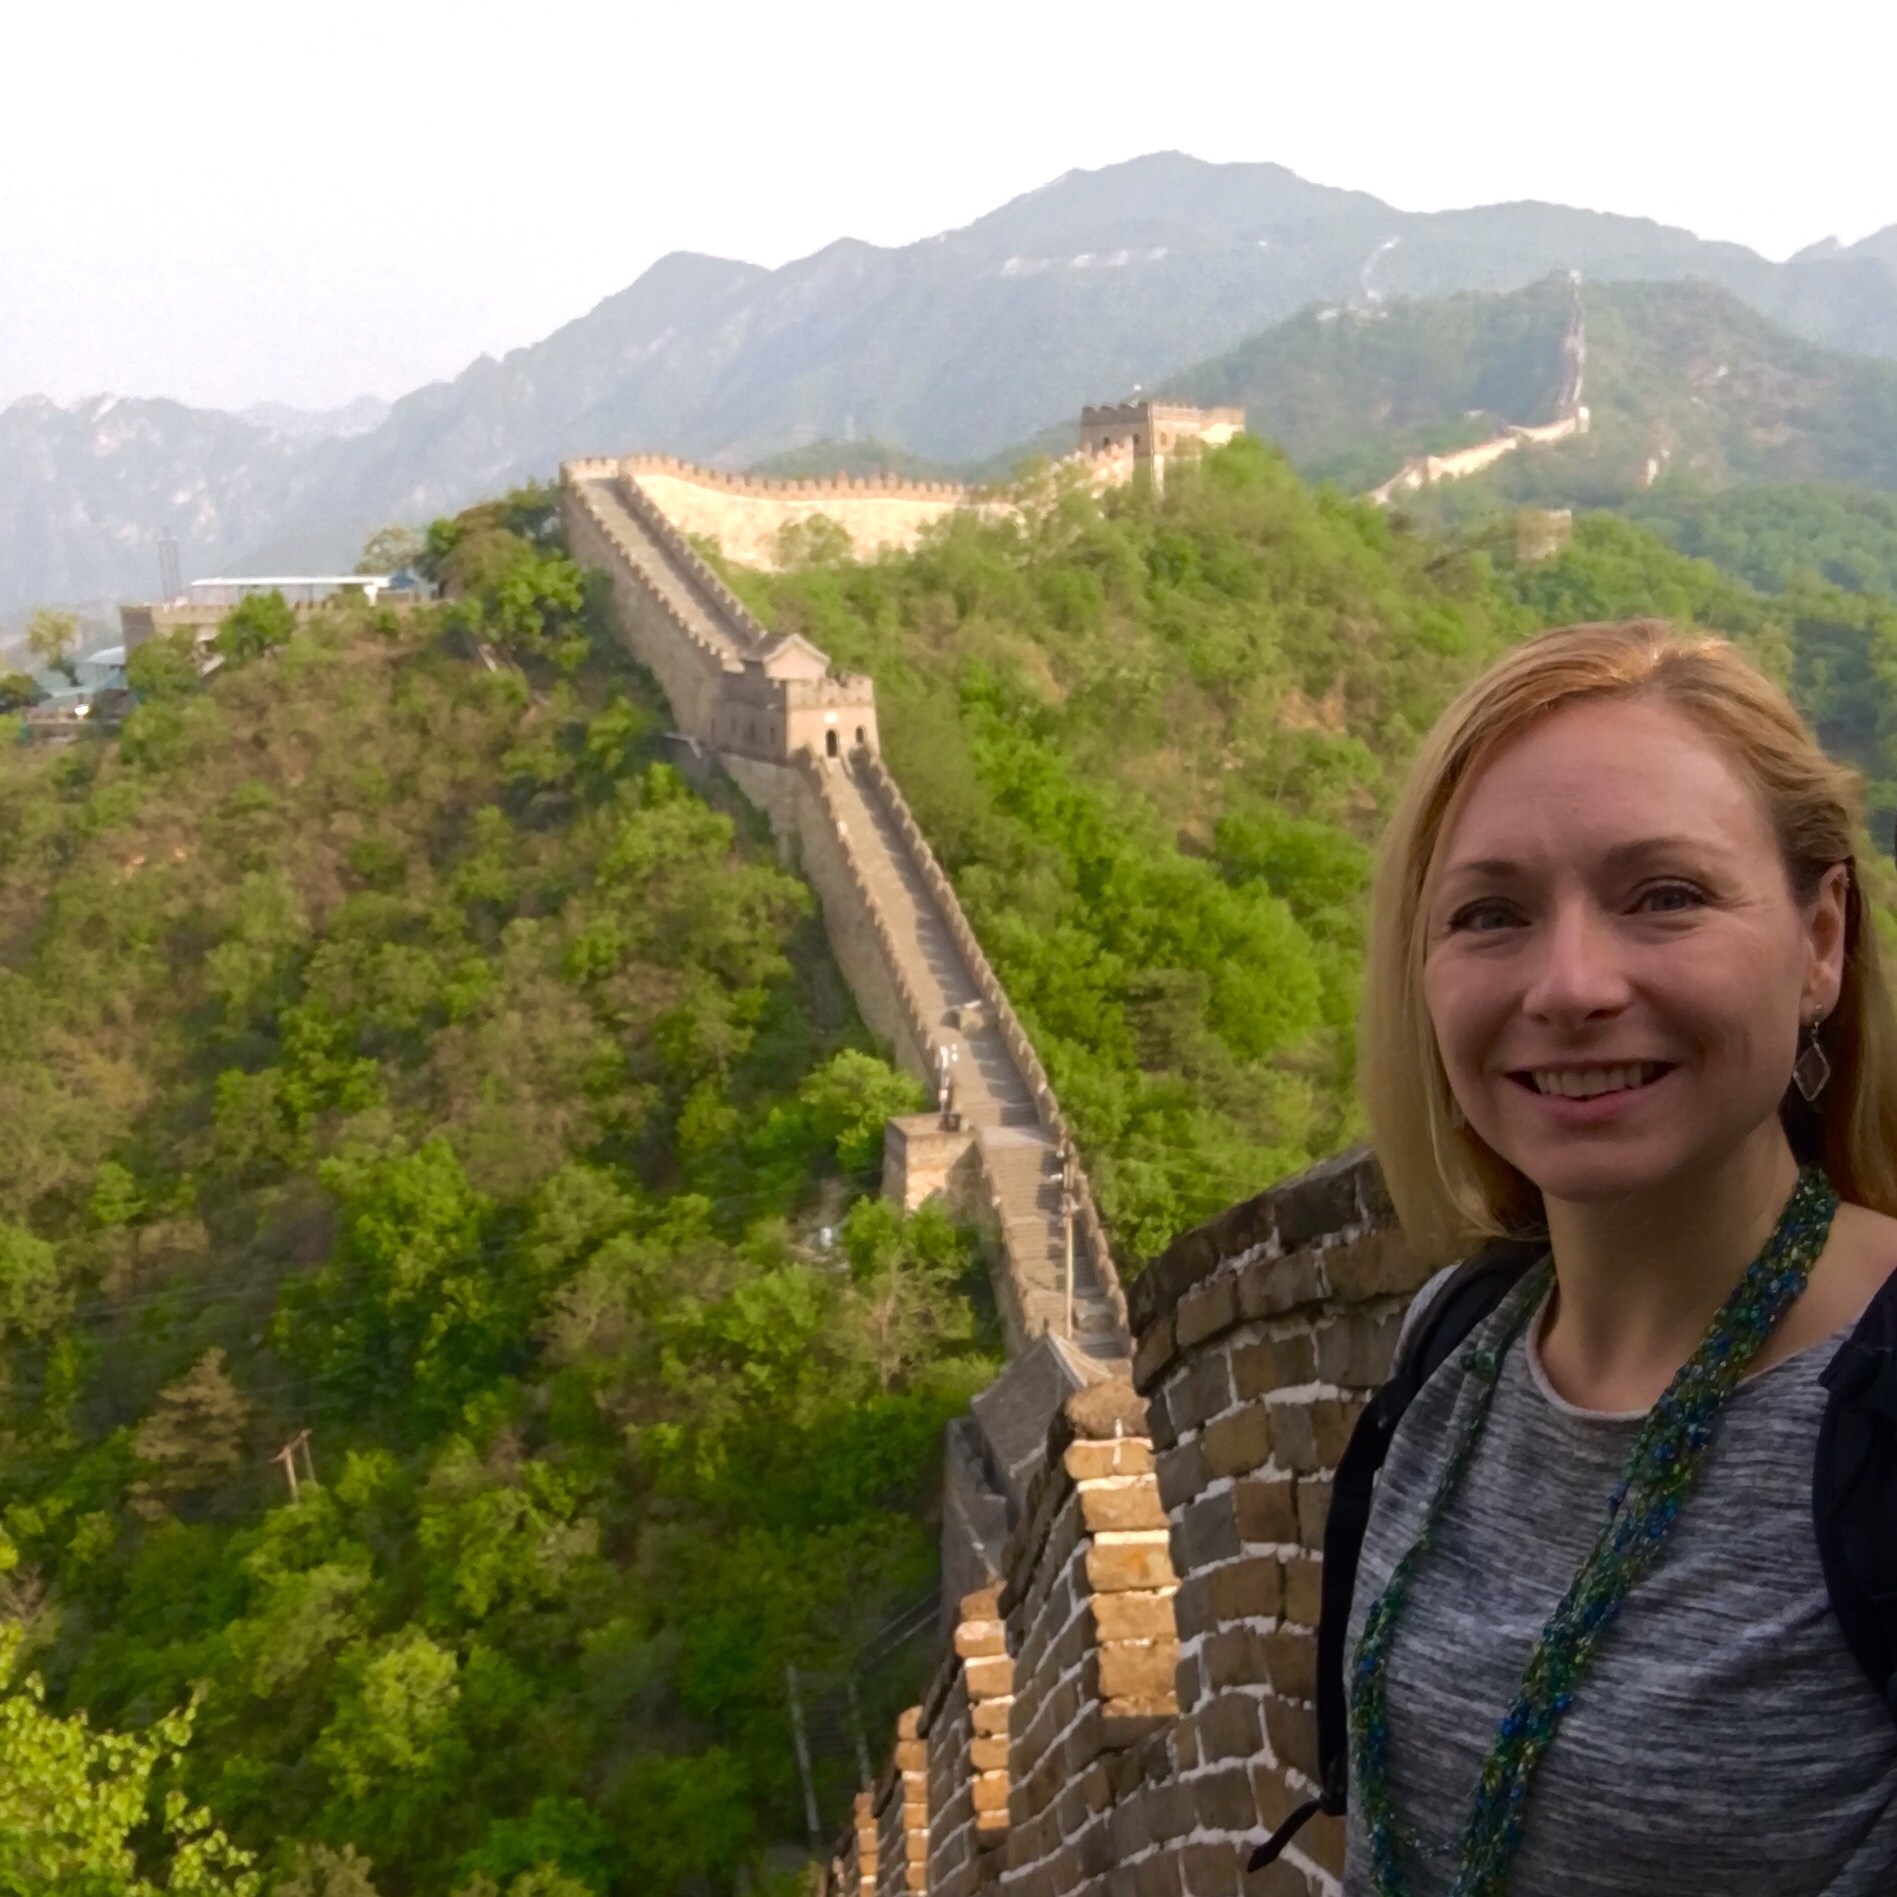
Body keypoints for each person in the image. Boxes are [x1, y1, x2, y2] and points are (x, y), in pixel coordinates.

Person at [1344, 618, 1897, 1895]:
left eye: (1665, 896)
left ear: (1819, 941)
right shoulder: (1453, 1345)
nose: (1570, 986)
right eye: (1490, 914)